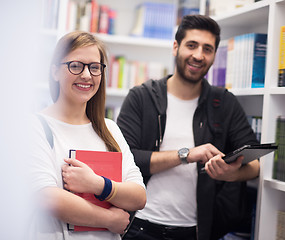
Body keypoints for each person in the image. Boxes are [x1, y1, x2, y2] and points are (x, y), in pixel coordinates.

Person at [117, 14, 260, 240]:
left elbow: (255, 164)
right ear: (175, 47)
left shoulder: (224, 102)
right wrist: (186, 155)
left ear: (214, 56)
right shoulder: (142, 97)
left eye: (207, 49)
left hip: (196, 231)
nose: (198, 55)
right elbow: (125, 158)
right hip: (139, 226)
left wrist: (231, 174)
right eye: (191, 45)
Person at [29, 31, 146, 240]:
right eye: (75, 65)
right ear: (55, 71)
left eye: (94, 67)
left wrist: (97, 184)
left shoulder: (110, 130)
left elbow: (138, 196)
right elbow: (48, 198)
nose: (86, 75)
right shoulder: (35, 125)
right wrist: (109, 219)